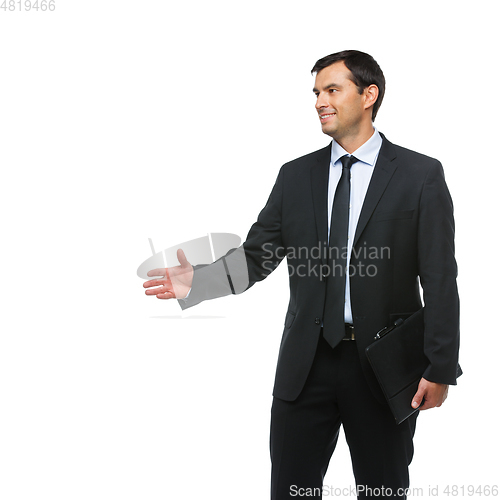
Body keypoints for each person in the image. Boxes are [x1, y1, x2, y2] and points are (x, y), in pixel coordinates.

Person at [143, 50, 461, 499]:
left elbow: (441, 279)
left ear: (369, 95)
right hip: (305, 365)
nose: (319, 102)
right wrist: (201, 280)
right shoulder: (295, 176)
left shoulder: (420, 175)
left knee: (383, 492)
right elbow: (258, 256)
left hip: (385, 367)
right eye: (316, 93)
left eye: (332, 90)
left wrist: (441, 366)